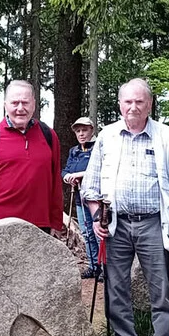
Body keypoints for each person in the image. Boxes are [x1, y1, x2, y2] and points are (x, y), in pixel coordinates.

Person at [82, 78, 169, 336]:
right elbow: (90, 186)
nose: (133, 107)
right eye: (128, 101)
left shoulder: (167, 137)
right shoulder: (106, 137)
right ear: (120, 105)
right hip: (115, 224)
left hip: (155, 223)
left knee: (161, 289)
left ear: (149, 104)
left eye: (140, 101)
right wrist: (96, 218)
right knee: (116, 289)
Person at [0, 80, 62, 233]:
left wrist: (56, 222)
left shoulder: (48, 136)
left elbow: (55, 184)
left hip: (39, 227)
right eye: (15, 103)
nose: (20, 108)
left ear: (33, 103)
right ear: (5, 104)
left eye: (25, 103)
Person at [62, 116, 99, 278]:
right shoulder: (74, 151)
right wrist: (68, 177)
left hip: (97, 198)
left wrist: (80, 175)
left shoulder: (99, 148)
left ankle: (104, 267)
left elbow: (102, 169)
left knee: (99, 233)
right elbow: (65, 170)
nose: (81, 134)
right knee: (87, 233)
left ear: (92, 130)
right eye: (78, 131)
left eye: (84, 130)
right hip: (79, 197)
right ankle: (93, 265)